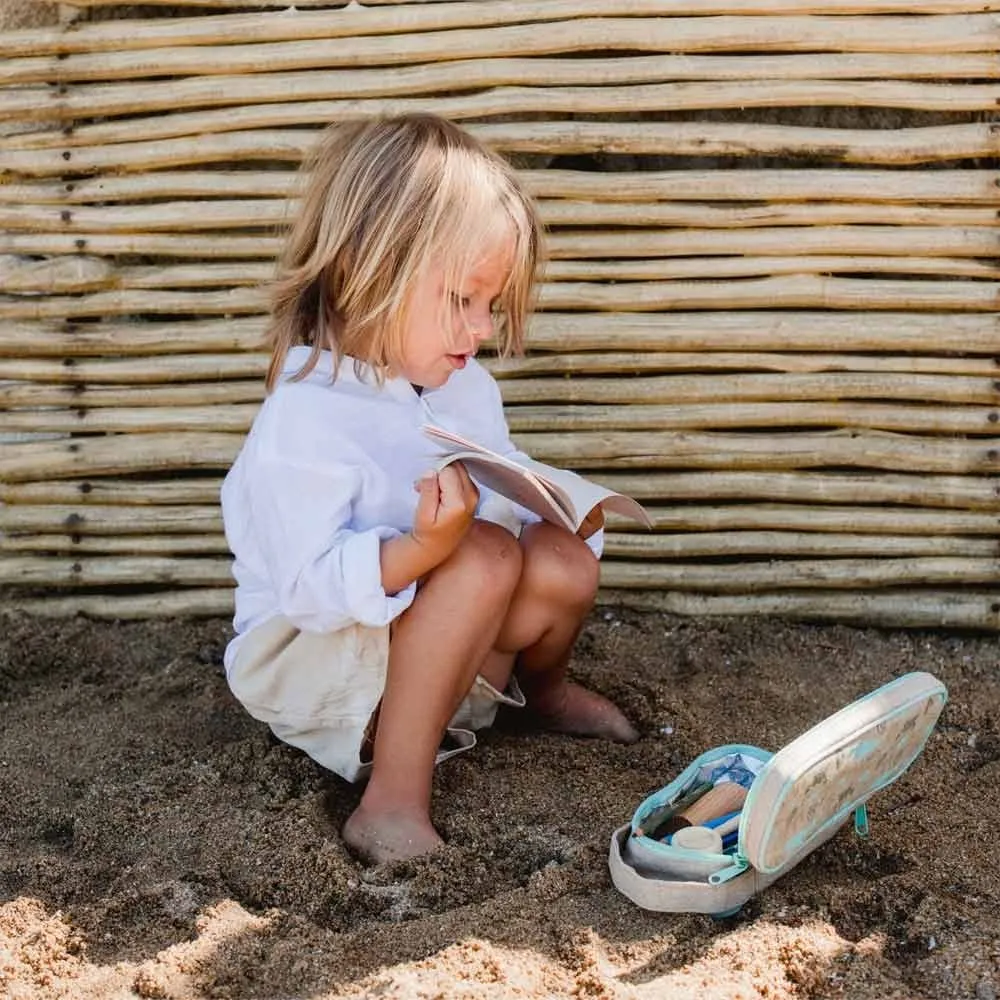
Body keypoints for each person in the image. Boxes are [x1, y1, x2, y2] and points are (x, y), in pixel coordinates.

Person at [220, 114, 639, 865]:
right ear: (365, 269)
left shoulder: (461, 385)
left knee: (560, 561)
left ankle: (538, 696)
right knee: (477, 556)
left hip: (435, 648)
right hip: (322, 665)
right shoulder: (304, 416)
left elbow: (495, 495)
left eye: (493, 306)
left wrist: (549, 504)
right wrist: (423, 548)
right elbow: (311, 591)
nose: (480, 328)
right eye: (462, 299)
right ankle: (389, 803)